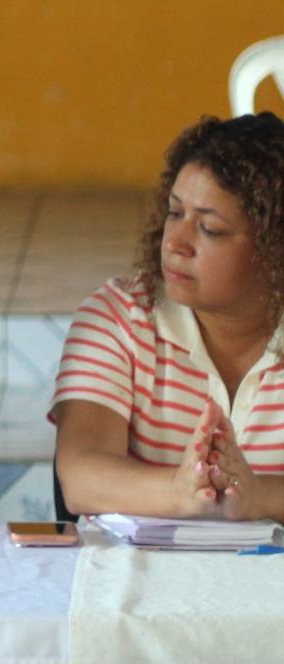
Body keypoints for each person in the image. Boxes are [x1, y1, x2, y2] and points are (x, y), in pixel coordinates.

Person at [54, 112, 284, 519]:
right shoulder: (120, 318)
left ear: (273, 249)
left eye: (209, 229)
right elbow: (80, 476)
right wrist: (181, 490)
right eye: (175, 213)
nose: (175, 242)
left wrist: (260, 496)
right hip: (143, 579)